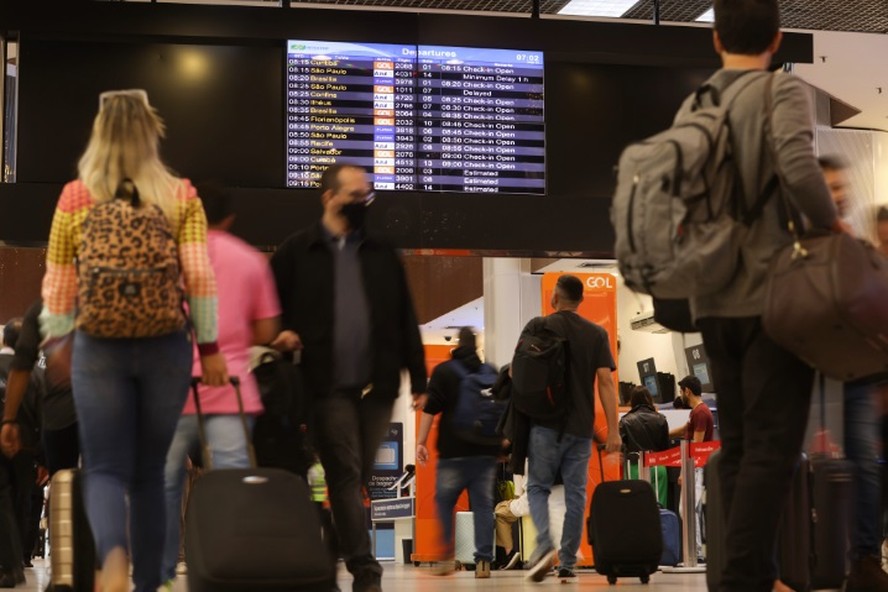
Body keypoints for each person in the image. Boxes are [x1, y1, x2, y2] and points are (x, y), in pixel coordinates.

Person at [40, 89, 228, 592]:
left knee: (102, 467)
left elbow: (57, 285)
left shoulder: (75, 197)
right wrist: (208, 349)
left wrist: (60, 343)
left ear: (98, 134)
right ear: (152, 134)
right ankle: (148, 584)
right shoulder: (180, 195)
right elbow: (200, 278)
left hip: (97, 345)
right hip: (165, 344)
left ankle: (113, 556)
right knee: (150, 473)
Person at [686, 2, 843, 590]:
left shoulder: (695, 103)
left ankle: (752, 572)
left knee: (743, 446)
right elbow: (801, 171)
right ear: (777, 39)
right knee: (774, 448)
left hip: (712, 298)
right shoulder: (782, 93)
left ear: (716, 38)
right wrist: (833, 227)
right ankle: (742, 578)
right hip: (770, 297)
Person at [269, 163, 427, 592]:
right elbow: (272, 310)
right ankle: (365, 570)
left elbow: (404, 315)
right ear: (328, 197)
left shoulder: (381, 250)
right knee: (344, 471)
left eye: (367, 197)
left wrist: (419, 377)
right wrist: (278, 333)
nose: (362, 204)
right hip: (325, 385)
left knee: (352, 481)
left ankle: (326, 560)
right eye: (354, 196)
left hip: (378, 384)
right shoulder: (297, 251)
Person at [160, 182, 280, 588]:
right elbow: (266, 328)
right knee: (231, 480)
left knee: (165, 480)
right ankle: (228, 564)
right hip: (230, 387)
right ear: (229, 218)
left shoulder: (170, 257)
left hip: (173, 388)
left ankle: (160, 569)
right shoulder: (250, 260)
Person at [818, 156, 888, 591]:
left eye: (842, 187)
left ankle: (864, 559)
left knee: (863, 465)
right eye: (830, 187)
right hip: (811, 373)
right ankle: (797, 557)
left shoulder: (852, 246)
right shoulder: (796, 244)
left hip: (857, 375)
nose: (840, 194)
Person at [523, 274, 620, 583]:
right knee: (576, 494)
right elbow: (606, 382)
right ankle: (567, 561)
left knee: (537, 488)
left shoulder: (538, 327)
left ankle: (544, 546)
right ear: (581, 300)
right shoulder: (596, 334)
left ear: (555, 297)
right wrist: (614, 431)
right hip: (580, 427)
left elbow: (519, 375)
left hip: (544, 424)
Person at [416, 327, 501, 579]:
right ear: (475, 346)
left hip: (454, 451)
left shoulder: (445, 372)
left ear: (457, 344)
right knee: (483, 506)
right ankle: (484, 561)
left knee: (444, 501)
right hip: (486, 452)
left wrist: (421, 442)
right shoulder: (491, 372)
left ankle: (445, 554)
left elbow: (430, 409)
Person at [668, 375, 713, 562]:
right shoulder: (696, 412)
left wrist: (683, 472)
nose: (680, 395)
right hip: (696, 468)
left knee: (689, 509)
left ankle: (697, 553)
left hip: (697, 468)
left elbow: (696, 446)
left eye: (681, 391)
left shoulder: (700, 413)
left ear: (687, 390)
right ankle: (697, 551)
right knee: (689, 509)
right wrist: (661, 431)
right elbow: (684, 430)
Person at [619, 385, 670, 506]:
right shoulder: (661, 419)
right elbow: (665, 448)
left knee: (634, 508)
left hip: (633, 468)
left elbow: (621, 448)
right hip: (657, 467)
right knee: (659, 509)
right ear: (649, 399)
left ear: (632, 401)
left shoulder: (625, 421)